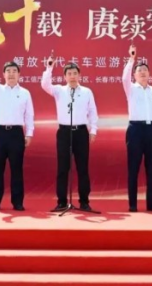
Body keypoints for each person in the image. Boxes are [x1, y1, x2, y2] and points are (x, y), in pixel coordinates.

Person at [0, 45, 34, 211]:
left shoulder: (25, 93)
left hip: (16, 134)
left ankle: (18, 202)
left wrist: (29, 133)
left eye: (14, 71)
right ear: (3, 75)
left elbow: (29, 115)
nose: (11, 74)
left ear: (19, 74)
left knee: (17, 169)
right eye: (8, 71)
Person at [41, 54, 98, 212]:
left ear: (79, 75)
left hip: (81, 132)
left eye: (75, 73)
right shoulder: (59, 90)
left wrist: (93, 130)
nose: (72, 76)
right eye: (69, 74)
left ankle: (84, 202)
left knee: (82, 168)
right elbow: (45, 84)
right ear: (65, 76)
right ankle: (61, 202)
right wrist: (49, 67)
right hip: (64, 133)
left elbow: (93, 112)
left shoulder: (86, 92)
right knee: (63, 168)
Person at [122, 44, 152, 212]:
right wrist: (131, 59)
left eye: (145, 70)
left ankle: (151, 203)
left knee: (151, 168)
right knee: (133, 168)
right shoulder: (131, 88)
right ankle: (132, 204)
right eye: (139, 70)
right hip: (135, 130)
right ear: (134, 75)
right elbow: (124, 78)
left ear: (149, 74)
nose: (143, 72)